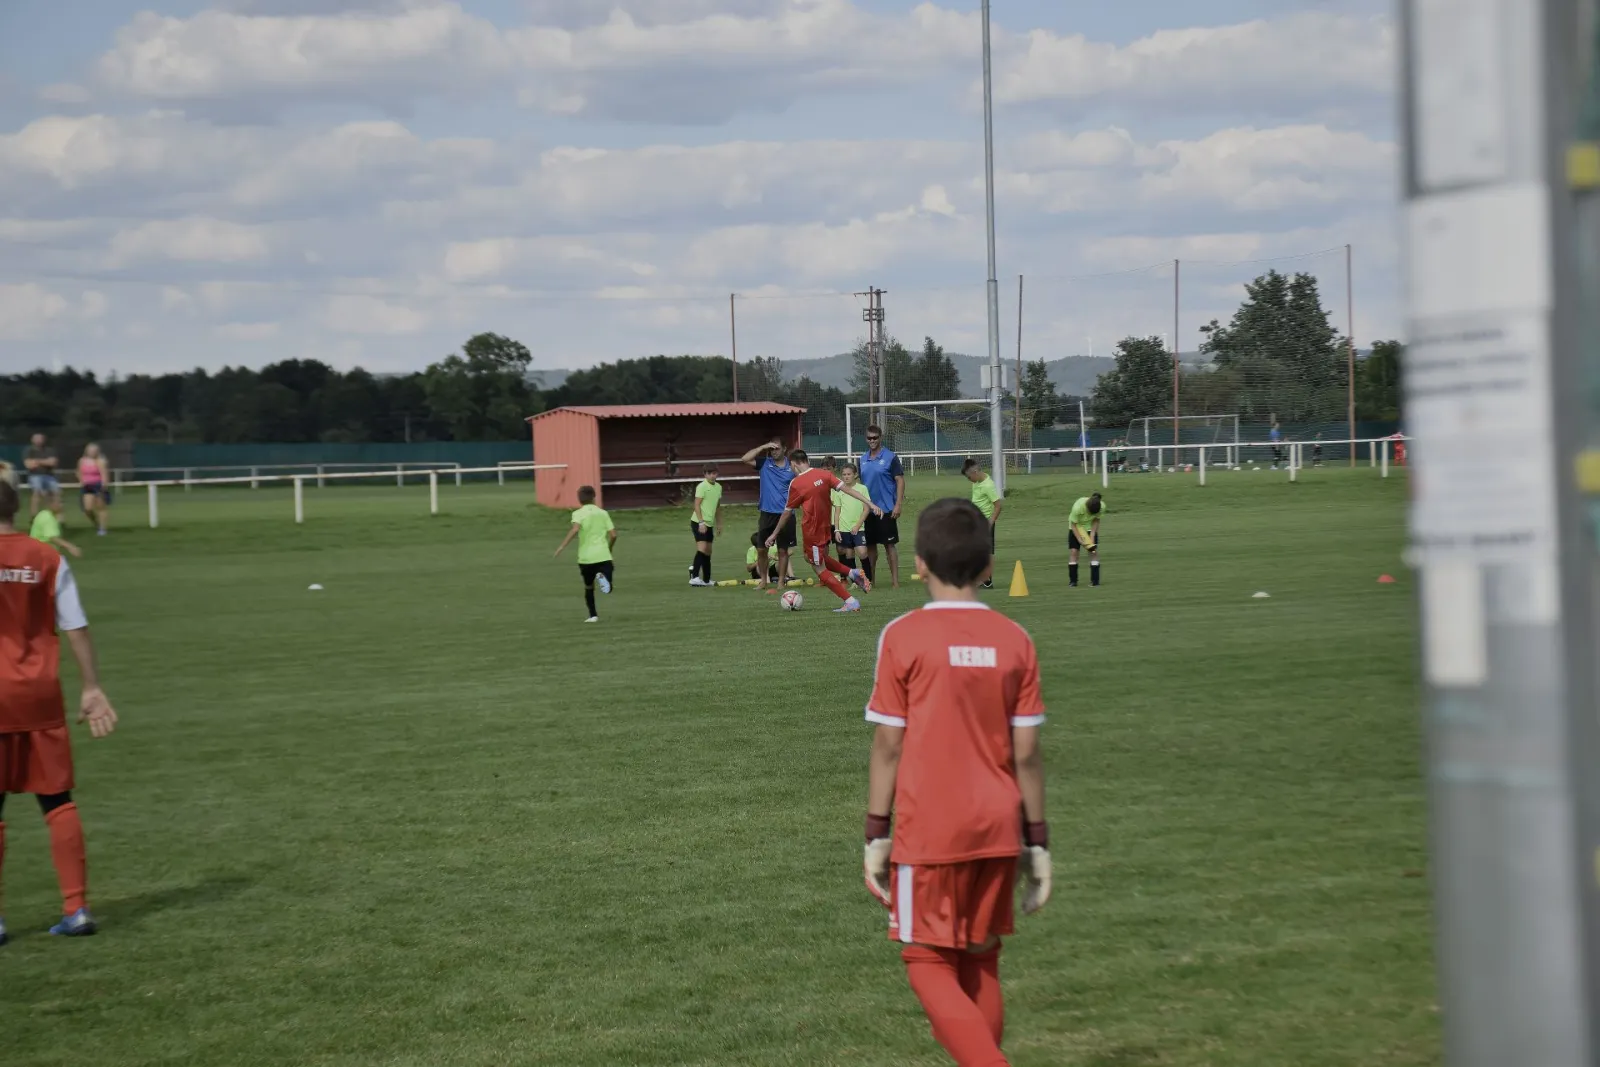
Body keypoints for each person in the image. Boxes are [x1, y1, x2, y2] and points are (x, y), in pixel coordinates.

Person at [861, 497, 1051, 1067]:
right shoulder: (1015, 638)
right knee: (980, 955)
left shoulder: (903, 636)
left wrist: (876, 832)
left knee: (927, 959)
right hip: (998, 824)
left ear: (919, 564)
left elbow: (889, 744)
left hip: (931, 826)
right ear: (989, 566)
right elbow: (1027, 754)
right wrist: (1038, 842)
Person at [0, 479, 119, 942]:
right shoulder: (47, 557)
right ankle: (77, 909)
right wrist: (91, 687)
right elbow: (76, 625)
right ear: (16, 509)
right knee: (57, 799)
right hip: (39, 694)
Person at [765, 449, 879, 614]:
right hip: (825, 528)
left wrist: (774, 534)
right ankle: (852, 572)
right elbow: (849, 490)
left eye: (791, 466)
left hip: (812, 531)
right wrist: (870, 503)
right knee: (811, 557)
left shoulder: (796, 483)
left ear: (794, 464)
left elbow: (787, 512)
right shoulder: (824, 474)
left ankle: (850, 601)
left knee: (818, 568)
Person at [553, 485, 617, 623]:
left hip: (585, 558)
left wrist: (561, 547)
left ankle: (593, 615)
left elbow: (575, 529)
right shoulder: (603, 513)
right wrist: (609, 549)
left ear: (579, 499)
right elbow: (613, 535)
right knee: (608, 583)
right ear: (594, 497)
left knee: (588, 587)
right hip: (603, 555)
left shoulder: (578, 514)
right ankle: (605, 579)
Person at [742, 439, 797, 594]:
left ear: (784, 449)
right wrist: (763, 446)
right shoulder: (764, 463)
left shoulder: (792, 466)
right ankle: (763, 581)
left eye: (777, 448)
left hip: (786, 513)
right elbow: (745, 459)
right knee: (761, 550)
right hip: (767, 513)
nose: (774, 451)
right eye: (772, 449)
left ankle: (780, 582)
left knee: (782, 550)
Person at [859, 424, 906, 588]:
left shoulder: (891, 457)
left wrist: (898, 504)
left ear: (881, 438)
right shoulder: (862, 459)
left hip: (886, 509)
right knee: (870, 547)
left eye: (875, 438)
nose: (872, 440)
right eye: (869, 438)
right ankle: (871, 581)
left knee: (889, 545)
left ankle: (895, 582)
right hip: (868, 510)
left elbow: (900, 480)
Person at [963, 458, 1002, 590]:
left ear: (975, 472)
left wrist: (990, 522)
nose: (969, 480)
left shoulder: (988, 485)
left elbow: (998, 506)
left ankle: (986, 581)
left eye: (969, 477)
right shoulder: (977, 482)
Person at [833, 462, 871, 577]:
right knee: (849, 554)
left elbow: (866, 509)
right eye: (844, 474)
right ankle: (856, 581)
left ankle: (868, 579)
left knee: (862, 552)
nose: (846, 477)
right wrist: (837, 530)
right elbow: (837, 512)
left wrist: (858, 525)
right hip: (844, 528)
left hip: (858, 528)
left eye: (849, 474)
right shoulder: (839, 491)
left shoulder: (862, 488)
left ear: (855, 475)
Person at [688, 465, 722, 587]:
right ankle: (694, 577)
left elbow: (717, 507)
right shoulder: (702, 487)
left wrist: (719, 523)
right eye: (710, 473)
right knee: (702, 549)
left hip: (710, 524)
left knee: (708, 552)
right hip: (698, 522)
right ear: (705, 474)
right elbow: (697, 505)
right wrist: (701, 522)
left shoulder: (718, 487)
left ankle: (707, 580)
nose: (712, 476)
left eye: (714, 473)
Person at [1068, 492, 1103, 588]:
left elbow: (1096, 520)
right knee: (1074, 551)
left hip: (1089, 528)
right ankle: (1073, 581)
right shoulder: (1077, 507)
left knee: (1093, 551)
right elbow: (1073, 524)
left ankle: (1095, 581)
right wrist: (1079, 539)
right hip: (1076, 527)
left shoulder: (1101, 506)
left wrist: (1092, 534)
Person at [23, 433, 59, 521]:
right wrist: (46, 462)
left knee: (55, 494)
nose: (39, 441)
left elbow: (53, 463)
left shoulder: (50, 450)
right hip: (35, 476)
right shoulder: (29, 451)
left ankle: (54, 516)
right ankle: (34, 516)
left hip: (49, 476)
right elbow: (29, 465)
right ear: (32, 440)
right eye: (36, 439)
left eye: (40, 439)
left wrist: (37, 461)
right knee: (37, 493)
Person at [77, 444, 110, 537]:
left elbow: (104, 473)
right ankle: (97, 524)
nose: (92, 452)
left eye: (94, 450)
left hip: (98, 485)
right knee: (87, 509)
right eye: (90, 450)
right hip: (87, 486)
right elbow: (79, 472)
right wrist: (81, 481)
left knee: (101, 507)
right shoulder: (82, 461)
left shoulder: (100, 461)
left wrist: (104, 486)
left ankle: (102, 528)